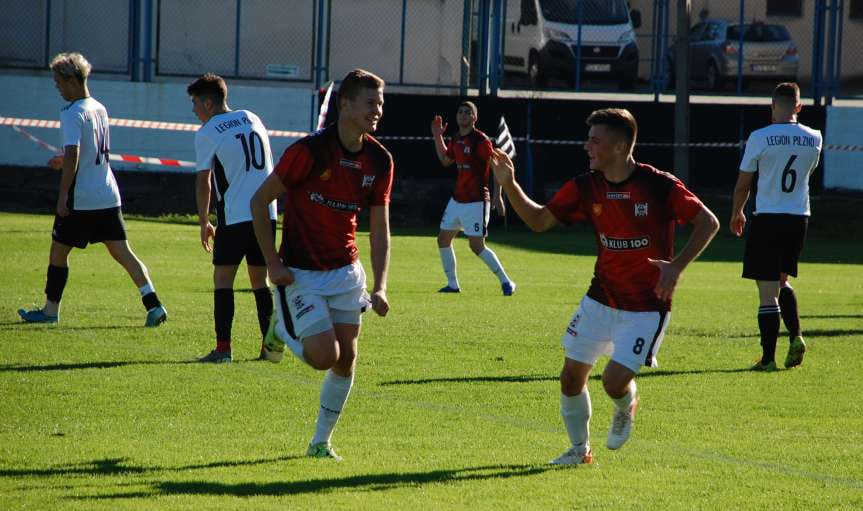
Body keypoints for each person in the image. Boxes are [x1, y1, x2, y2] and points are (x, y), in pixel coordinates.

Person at [489, 108, 719, 465]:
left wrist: (676, 267)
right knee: (570, 377)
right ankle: (580, 451)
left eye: (595, 141)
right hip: (600, 298)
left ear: (620, 146)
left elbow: (708, 222)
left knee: (613, 382)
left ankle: (626, 404)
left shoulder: (658, 184)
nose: (587, 147)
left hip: (646, 306)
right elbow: (537, 221)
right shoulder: (585, 186)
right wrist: (509, 182)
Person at [250, 69, 392, 460]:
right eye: (370, 102)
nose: (377, 110)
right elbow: (259, 202)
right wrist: (272, 263)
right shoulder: (308, 152)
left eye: (381, 103)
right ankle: (279, 326)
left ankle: (320, 442)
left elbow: (379, 228)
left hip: (347, 272)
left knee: (346, 359)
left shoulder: (380, 161)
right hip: (301, 274)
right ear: (345, 104)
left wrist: (380, 286)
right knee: (323, 357)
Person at [18, 52, 167, 327]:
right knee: (124, 253)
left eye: (58, 83)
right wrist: (65, 160)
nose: (57, 88)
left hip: (82, 197)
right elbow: (90, 150)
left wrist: (63, 195)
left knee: (58, 252)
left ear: (72, 81)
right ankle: (154, 305)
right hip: (107, 193)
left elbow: (74, 154)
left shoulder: (72, 112)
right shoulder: (99, 107)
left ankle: (50, 311)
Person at [730, 82, 822, 372]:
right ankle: (796, 336)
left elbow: (744, 183)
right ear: (799, 107)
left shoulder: (760, 137)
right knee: (782, 281)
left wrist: (737, 212)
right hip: (798, 218)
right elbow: (809, 172)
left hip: (768, 216)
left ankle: (768, 359)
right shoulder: (814, 137)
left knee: (767, 290)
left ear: (773, 106)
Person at [187, 73, 277, 363]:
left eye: (195, 103)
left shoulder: (208, 131)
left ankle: (223, 349)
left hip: (236, 213)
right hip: (268, 212)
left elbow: (205, 180)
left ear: (209, 103)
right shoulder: (251, 116)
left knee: (223, 278)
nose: (193, 110)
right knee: (259, 280)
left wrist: (204, 220)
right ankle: (270, 347)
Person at [430, 101, 515, 295]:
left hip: (476, 202)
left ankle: (507, 281)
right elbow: (445, 160)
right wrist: (437, 136)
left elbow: (495, 166)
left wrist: (497, 196)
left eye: (468, 113)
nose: (463, 115)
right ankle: (453, 284)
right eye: (460, 112)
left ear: (474, 118)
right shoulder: (457, 138)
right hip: (456, 200)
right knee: (443, 239)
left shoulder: (480, 140)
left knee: (476, 246)